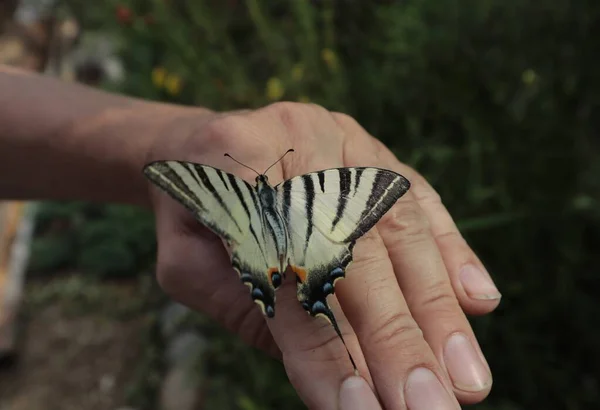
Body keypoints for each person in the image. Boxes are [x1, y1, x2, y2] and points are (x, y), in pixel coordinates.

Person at [0, 65, 501, 410]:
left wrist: (163, 138)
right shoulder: (305, 193)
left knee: (287, 275)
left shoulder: (238, 191)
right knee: (314, 270)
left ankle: (292, 280)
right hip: (306, 241)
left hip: (256, 246)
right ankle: (305, 282)